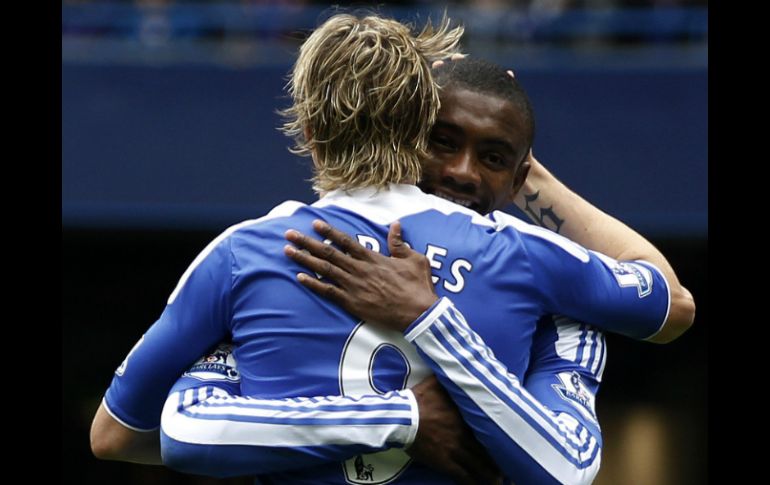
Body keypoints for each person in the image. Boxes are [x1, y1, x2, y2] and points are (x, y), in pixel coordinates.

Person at [89, 18, 694, 484]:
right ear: (414, 129)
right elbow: (669, 302)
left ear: (306, 131)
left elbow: (118, 436)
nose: (463, 172)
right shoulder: (524, 254)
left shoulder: (248, 251)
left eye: (493, 157)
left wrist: (282, 412)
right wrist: (526, 175)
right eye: (446, 143)